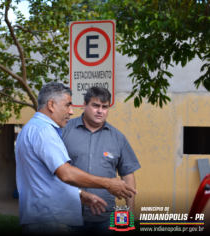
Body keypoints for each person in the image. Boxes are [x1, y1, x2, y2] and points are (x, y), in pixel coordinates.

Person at [15, 82, 138, 235]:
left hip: (100, 216)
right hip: (51, 218)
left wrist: (79, 195)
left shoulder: (32, 128)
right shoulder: (51, 131)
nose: (71, 111)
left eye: (104, 107)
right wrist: (107, 183)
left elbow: (47, 179)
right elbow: (65, 173)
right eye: (67, 105)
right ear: (52, 105)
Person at [62, 87, 141, 235]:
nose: (100, 111)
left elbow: (127, 174)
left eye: (105, 107)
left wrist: (129, 213)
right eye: (95, 105)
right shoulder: (65, 130)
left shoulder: (118, 138)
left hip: (104, 217)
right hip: (67, 214)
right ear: (84, 105)